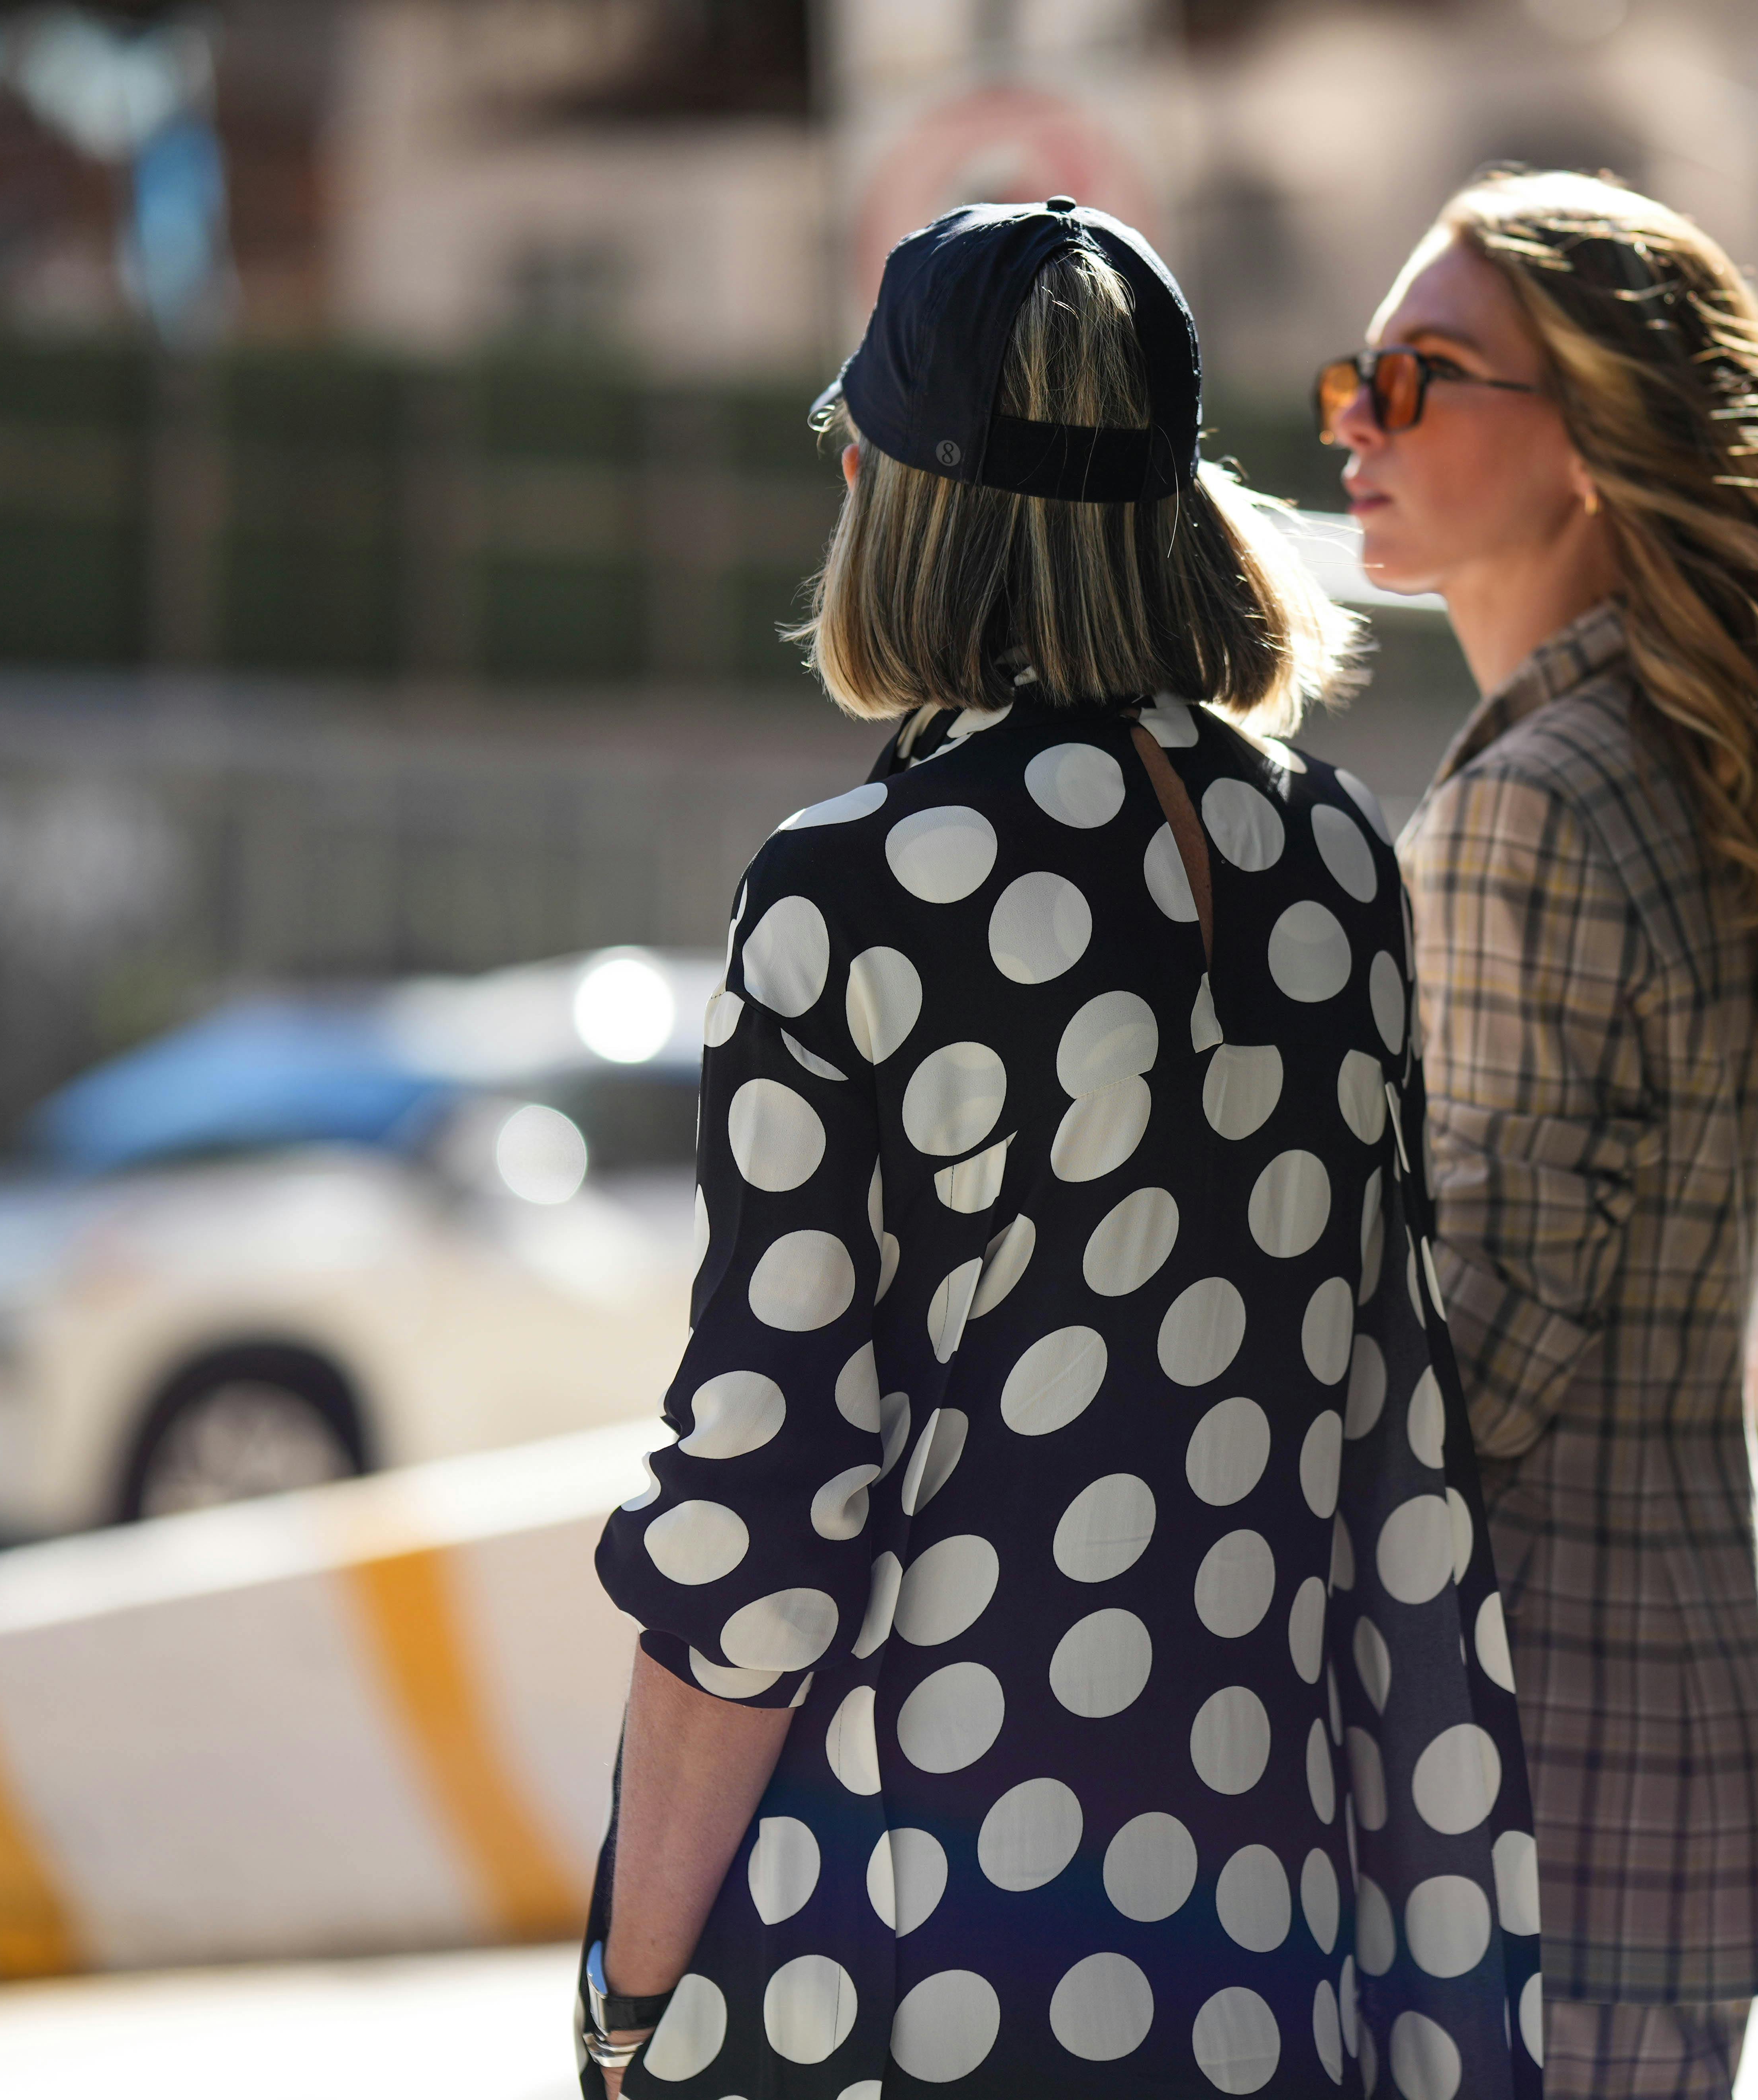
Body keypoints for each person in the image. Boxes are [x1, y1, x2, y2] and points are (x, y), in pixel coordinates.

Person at [578, 198, 1546, 2100]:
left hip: (907, 1958)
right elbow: (1373, 1446)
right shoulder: (1337, 862)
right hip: (1262, 1965)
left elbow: (763, 1502)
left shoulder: (853, 895)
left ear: (900, 490)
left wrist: (633, 1998)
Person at [1320, 169, 1758, 2098]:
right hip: (1650, 1735)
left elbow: (1486, 1343)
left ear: (1583, 439)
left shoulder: (1536, 810)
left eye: (1421, 378)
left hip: (1527, 1770)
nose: (1352, 417)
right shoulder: (1660, 760)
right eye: (1359, 372)